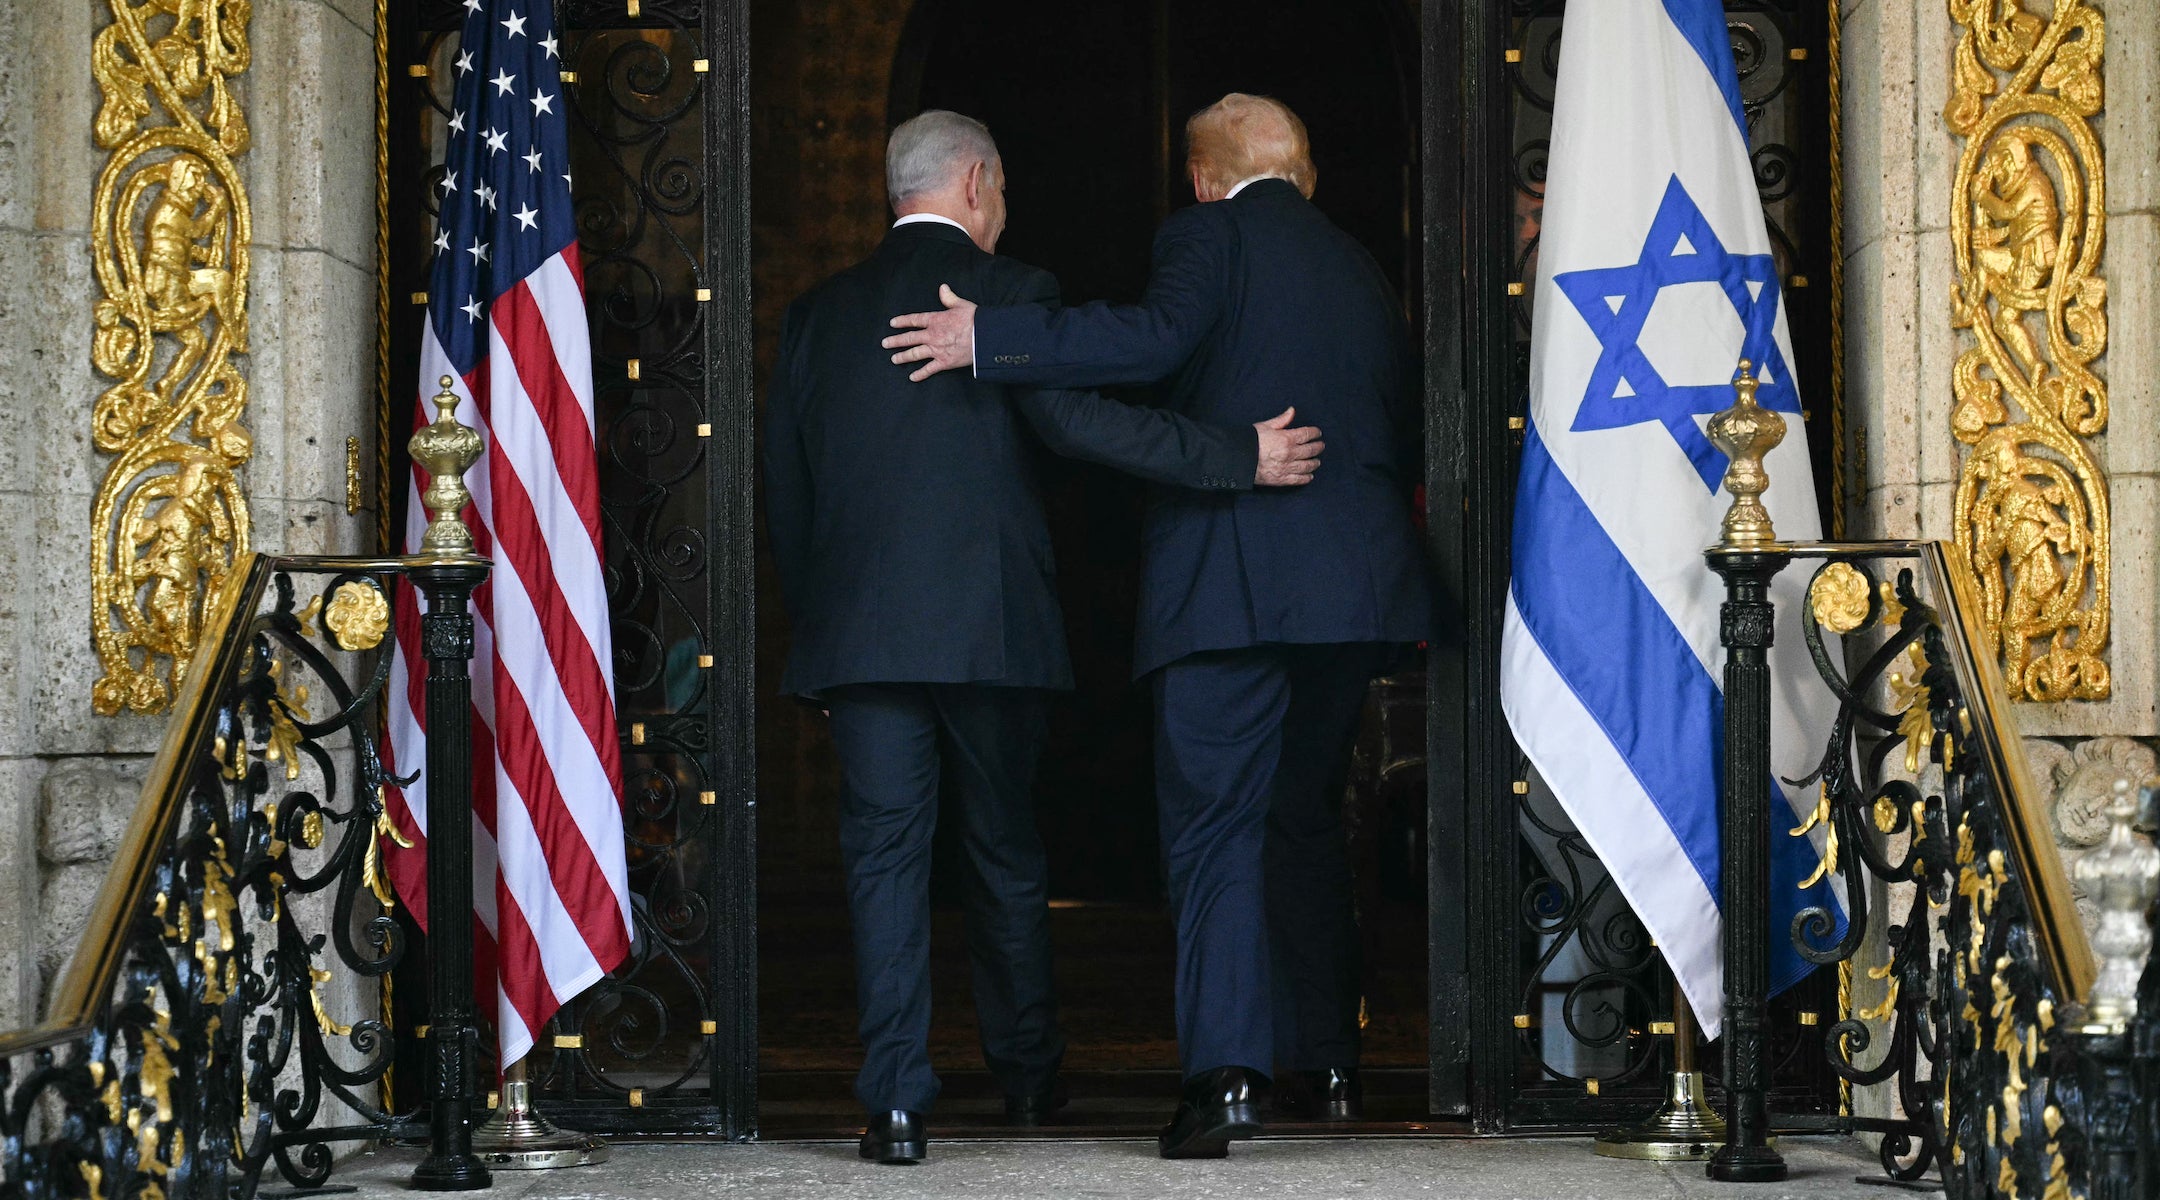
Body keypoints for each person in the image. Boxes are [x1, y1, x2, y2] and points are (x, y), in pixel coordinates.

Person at [764, 109, 1326, 1167]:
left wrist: (823, 625)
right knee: (1004, 854)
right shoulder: (1012, 296)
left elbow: (786, 496)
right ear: (977, 184)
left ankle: (894, 1103)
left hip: (861, 638)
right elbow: (1078, 427)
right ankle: (1027, 1076)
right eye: (1007, 188)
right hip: (991, 634)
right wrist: (1232, 454)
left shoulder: (814, 314)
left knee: (881, 862)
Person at [883, 93, 1434, 1158]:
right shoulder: (1363, 267)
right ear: (1303, 169)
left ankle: (1225, 1079)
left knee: (1218, 825)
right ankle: (1326, 1055)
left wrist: (993, 334)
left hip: (1231, 587)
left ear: (1200, 177)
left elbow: (1153, 338)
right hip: (1353, 597)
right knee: (1304, 814)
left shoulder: (1207, 233)